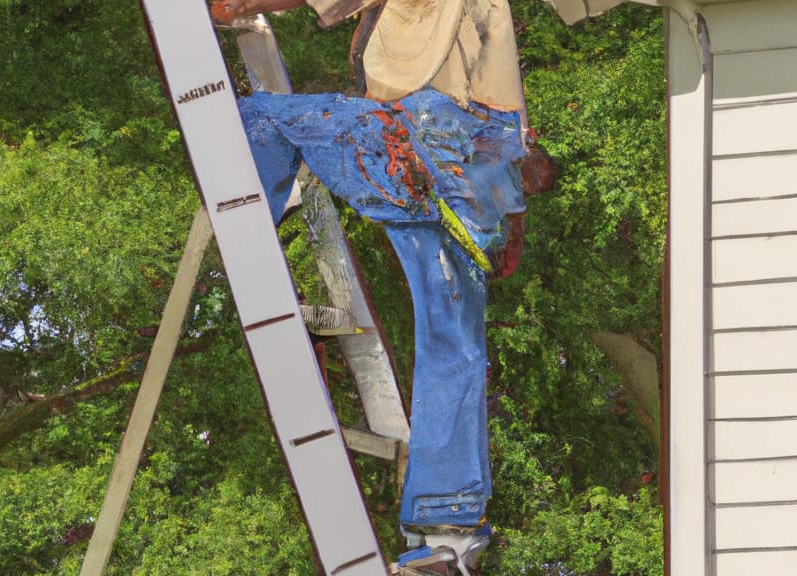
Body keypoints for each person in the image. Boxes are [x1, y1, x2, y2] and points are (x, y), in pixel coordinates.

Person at [213, 2, 554, 574]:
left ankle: (252, 228)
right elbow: (510, 115)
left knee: (260, 118)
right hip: (483, 171)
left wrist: (233, 8)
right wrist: (511, 223)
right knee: (454, 341)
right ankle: (449, 527)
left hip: (428, 138)